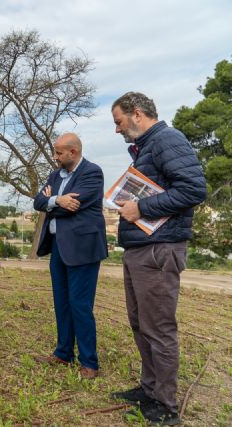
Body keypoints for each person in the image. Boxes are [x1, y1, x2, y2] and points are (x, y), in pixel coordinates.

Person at [110, 92, 206, 425]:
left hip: (159, 249)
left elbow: (194, 189)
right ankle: (149, 389)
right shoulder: (147, 148)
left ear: (137, 114)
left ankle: (165, 405)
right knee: (141, 324)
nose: (117, 130)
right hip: (141, 249)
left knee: (159, 328)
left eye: (119, 122)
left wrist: (142, 207)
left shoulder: (167, 140)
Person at [33, 133, 107, 379]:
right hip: (58, 249)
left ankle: (89, 362)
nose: (54, 157)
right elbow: (38, 201)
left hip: (83, 250)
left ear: (72, 152)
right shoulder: (55, 174)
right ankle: (64, 353)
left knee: (80, 305)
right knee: (62, 303)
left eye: (58, 153)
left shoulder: (92, 173)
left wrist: (52, 204)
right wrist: (57, 200)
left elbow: (77, 205)